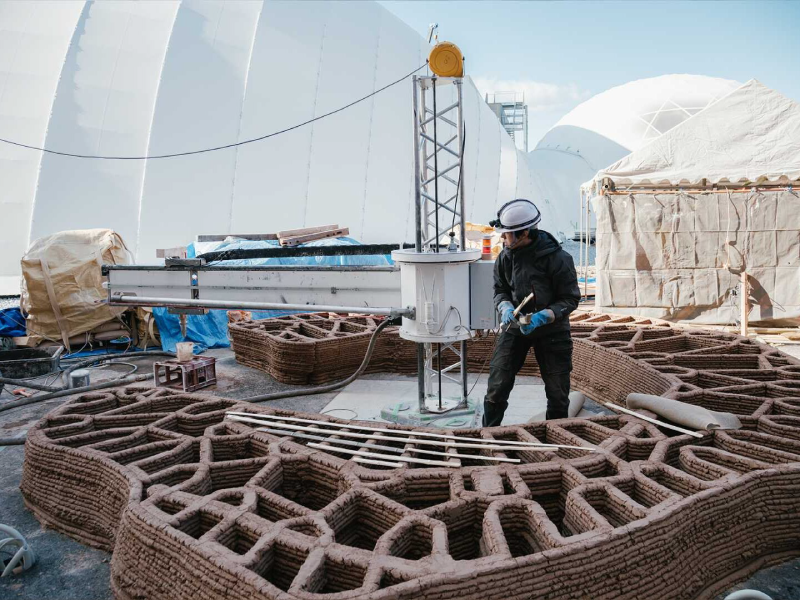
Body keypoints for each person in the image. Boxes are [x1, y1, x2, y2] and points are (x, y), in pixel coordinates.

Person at [482, 199, 581, 426]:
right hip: (515, 328)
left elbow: (570, 298)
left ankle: (555, 437)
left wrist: (543, 316)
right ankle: (489, 435)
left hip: (552, 331)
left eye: (507, 234)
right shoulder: (505, 257)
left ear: (524, 233)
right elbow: (500, 290)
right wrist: (504, 306)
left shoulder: (559, 259)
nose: (502, 238)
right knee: (497, 386)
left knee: (557, 393)